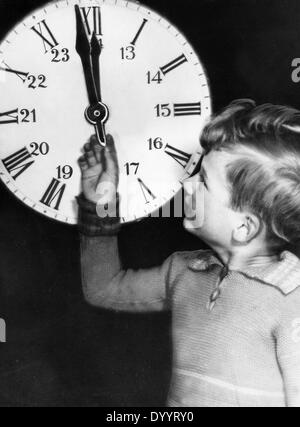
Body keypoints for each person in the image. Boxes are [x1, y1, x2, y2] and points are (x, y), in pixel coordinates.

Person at [77, 99, 300, 407]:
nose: (187, 182)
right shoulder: (185, 271)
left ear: (244, 227)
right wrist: (100, 202)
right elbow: (103, 289)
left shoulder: (292, 302)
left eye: (203, 181)